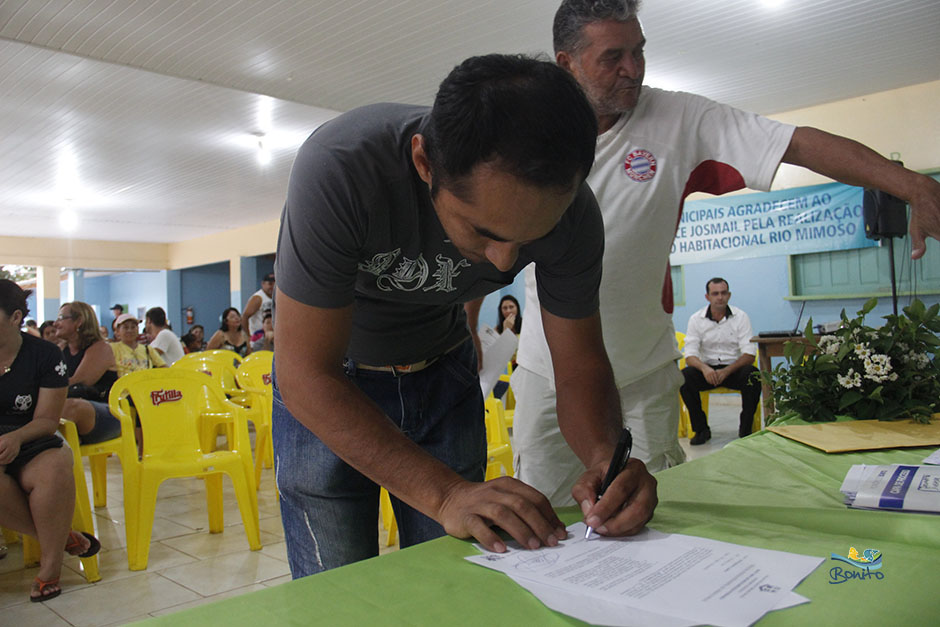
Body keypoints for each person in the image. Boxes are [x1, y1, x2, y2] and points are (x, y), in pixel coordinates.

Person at [510, 0, 940, 506]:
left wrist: (913, 185)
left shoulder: (679, 117)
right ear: (567, 63)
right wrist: (469, 318)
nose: (634, 69)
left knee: (650, 515)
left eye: (639, 51)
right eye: (613, 57)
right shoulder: (526, 127)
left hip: (642, 372)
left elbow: (797, 144)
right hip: (548, 370)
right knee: (543, 516)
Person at [273, 53, 657, 578]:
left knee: (451, 578)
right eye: (483, 231)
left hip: (442, 371)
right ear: (424, 163)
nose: (504, 262)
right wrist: (445, 491)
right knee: (334, 584)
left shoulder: (574, 216)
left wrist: (605, 459)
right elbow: (303, 371)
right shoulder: (341, 166)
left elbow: (578, 365)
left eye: (531, 238)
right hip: (333, 386)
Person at [0, 280, 100, 602]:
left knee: (56, 466)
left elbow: (46, 419)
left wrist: (15, 437)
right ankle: (63, 538)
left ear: (16, 317)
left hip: (32, 436)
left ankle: (50, 566)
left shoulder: (43, 354)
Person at [680, 278, 760, 444]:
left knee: (753, 376)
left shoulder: (741, 317)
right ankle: (701, 430)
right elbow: (690, 355)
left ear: (729, 295)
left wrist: (726, 371)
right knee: (684, 378)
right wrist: (705, 369)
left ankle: (745, 430)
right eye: (715, 294)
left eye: (723, 293)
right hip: (707, 371)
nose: (720, 297)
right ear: (707, 297)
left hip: (733, 369)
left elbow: (749, 354)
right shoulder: (696, 319)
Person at [54, 302, 119, 445]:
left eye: (61, 318)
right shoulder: (60, 350)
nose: (55, 323)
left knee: (71, 407)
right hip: (74, 410)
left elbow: (80, 383)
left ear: (79, 321)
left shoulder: (101, 348)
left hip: (108, 414)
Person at [243, 273, 275, 348]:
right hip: (258, 337)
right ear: (263, 284)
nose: (273, 287)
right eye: (270, 284)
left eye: (275, 284)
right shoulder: (258, 298)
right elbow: (244, 317)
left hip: (271, 336)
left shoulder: (275, 297)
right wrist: (248, 336)